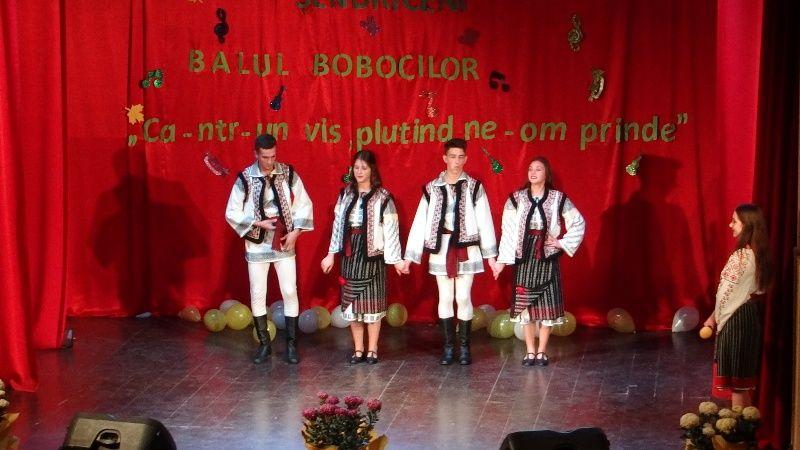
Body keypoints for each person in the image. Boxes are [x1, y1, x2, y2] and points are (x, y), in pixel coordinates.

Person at [401, 138, 497, 365]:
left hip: (466, 248)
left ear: (466, 158)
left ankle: (464, 348)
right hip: (442, 247)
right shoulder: (432, 188)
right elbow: (420, 222)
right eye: (452, 156)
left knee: (463, 296)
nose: (456, 161)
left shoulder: (474, 187)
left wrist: (491, 257)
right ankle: (448, 347)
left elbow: (485, 221)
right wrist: (409, 257)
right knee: (445, 297)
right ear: (445, 158)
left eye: (460, 157)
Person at [225, 134, 314, 364]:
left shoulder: (287, 172)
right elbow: (232, 211)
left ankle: (292, 345)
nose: (270, 161)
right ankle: (264, 345)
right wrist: (257, 223)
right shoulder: (245, 177)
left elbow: (304, 202)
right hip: (257, 243)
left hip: (283, 240)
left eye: (273, 156)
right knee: (258, 292)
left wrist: (296, 232)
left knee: (289, 290)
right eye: (265, 157)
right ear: (256, 154)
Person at [493, 157, 585, 367]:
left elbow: (578, 222)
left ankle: (542, 351)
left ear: (546, 174)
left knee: (547, 306)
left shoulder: (557, 198)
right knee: (526, 306)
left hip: (546, 256)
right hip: (525, 256)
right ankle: (530, 351)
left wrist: (561, 242)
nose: (533, 172)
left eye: (538, 169)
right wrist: (502, 261)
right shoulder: (516, 198)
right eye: (530, 169)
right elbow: (508, 231)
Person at [321, 150, 405, 364]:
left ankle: (372, 349)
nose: (359, 172)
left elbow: (391, 230)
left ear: (372, 170)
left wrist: (395, 259)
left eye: (364, 168)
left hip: (373, 255)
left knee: (372, 306)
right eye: (356, 167)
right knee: (353, 305)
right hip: (350, 253)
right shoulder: (345, 194)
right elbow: (338, 226)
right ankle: (358, 349)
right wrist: (331, 254)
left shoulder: (383, 197)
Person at [703, 204, 772, 407]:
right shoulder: (756, 254)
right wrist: (713, 317)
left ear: (747, 225)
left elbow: (729, 294)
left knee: (738, 385)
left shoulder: (743, 257)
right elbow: (731, 292)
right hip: (745, 316)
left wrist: (716, 318)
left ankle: (738, 425)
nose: (730, 225)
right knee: (741, 384)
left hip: (737, 320)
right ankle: (744, 423)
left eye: (734, 221)